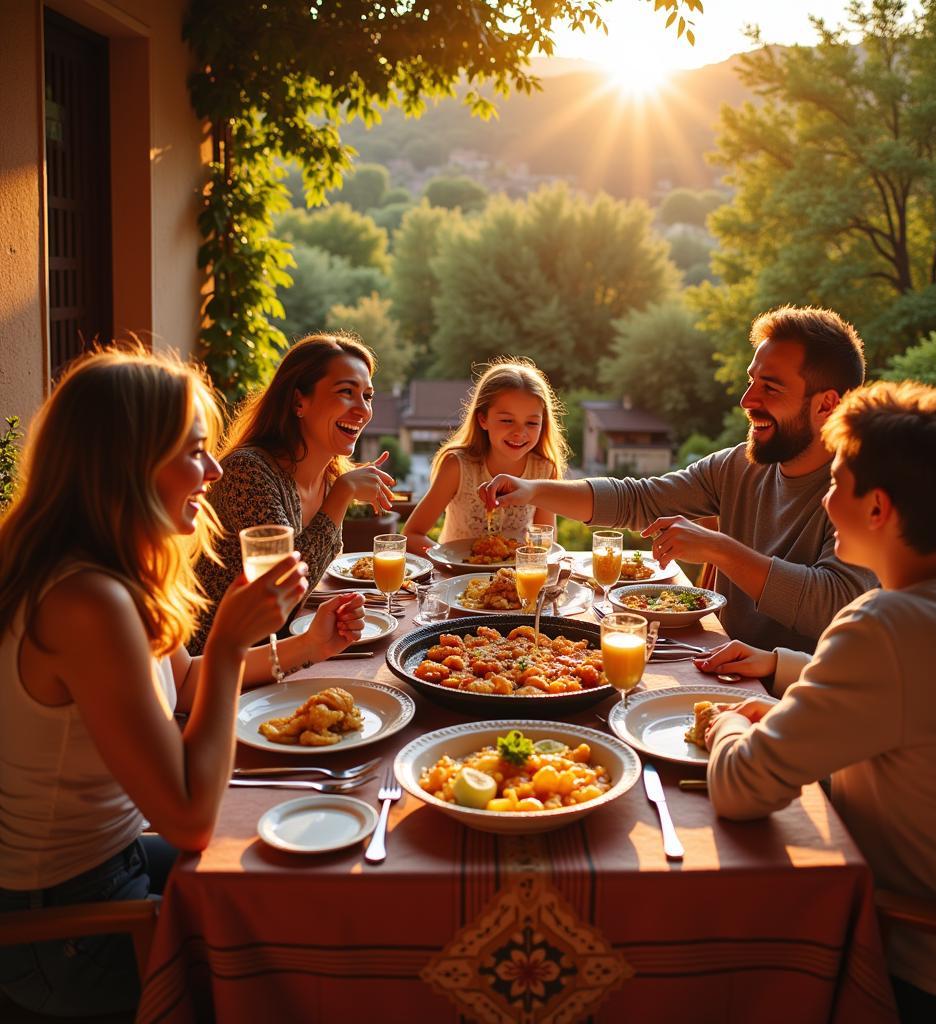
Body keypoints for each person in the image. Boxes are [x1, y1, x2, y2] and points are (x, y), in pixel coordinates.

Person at [0, 348, 366, 1018]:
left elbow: (188, 684)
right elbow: (192, 820)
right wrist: (228, 642)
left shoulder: (109, 567)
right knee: (284, 948)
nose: (216, 470)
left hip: (109, 864)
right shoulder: (85, 600)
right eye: (194, 451)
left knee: (298, 866)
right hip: (66, 926)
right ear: (128, 461)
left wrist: (307, 647)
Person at [697, 381, 936, 1023]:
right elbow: (915, 695)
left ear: (877, 509)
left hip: (926, 957)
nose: (823, 497)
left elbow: (741, 789)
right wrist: (782, 667)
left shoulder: (880, 626)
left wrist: (726, 723)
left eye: (835, 481)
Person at [480, 306, 876, 652]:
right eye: (751, 380)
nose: (747, 400)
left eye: (770, 387)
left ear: (827, 404)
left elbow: (834, 605)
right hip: (717, 664)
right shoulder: (738, 465)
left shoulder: (864, 492)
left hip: (791, 698)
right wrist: (532, 491)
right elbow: (639, 500)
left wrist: (720, 550)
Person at [189, 332, 394, 653]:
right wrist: (342, 494)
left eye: (367, 396)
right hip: (215, 662)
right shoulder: (249, 471)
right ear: (299, 401)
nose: (363, 410)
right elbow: (285, 590)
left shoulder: (329, 474)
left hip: (280, 647)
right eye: (346, 392)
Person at [402, 358, 568, 556]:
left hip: (514, 580)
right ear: (483, 419)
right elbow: (412, 534)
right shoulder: (457, 466)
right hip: (456, 579)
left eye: (532, 423)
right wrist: (444, 557)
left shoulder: (544, 469)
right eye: (507, 420)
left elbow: (545, 544)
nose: (519, 432)